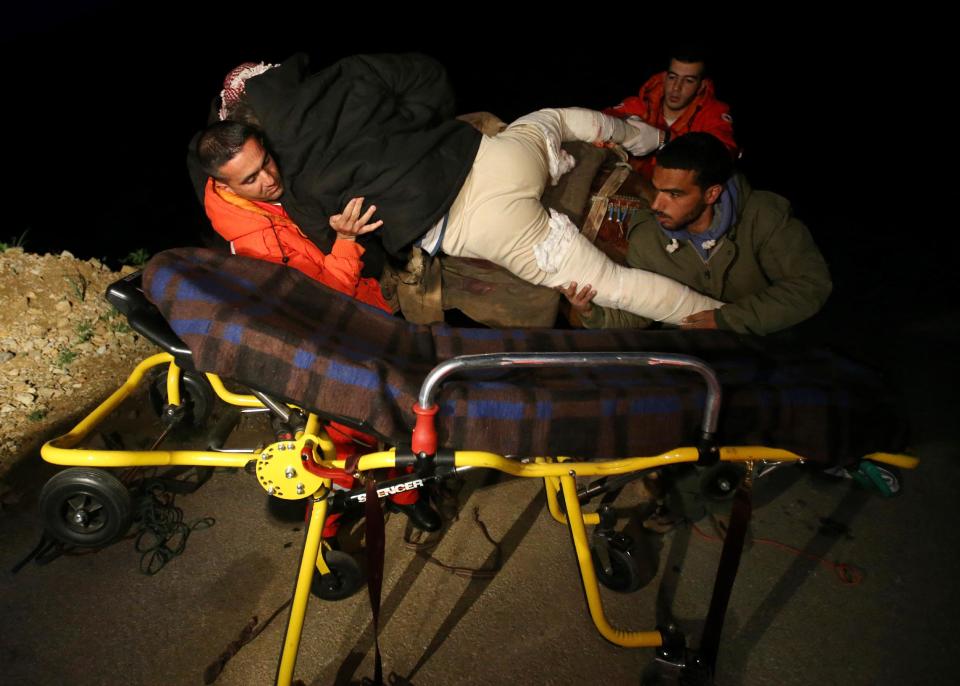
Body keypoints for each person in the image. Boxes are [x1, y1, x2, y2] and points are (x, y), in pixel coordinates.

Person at [202, 53, 725, 327]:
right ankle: (656, 136)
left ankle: (722, 321)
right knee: (555, 118)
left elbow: (352, 258)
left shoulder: (292, 182)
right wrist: (417, 127)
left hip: (482, 226)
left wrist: (344, 232)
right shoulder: (346, 76)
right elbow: (427, 75)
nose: (265, 178)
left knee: (612, 284)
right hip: (495, 156)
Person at [197, 120, 441, 532]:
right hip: (325, 340)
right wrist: (345, 241)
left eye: (267, 162)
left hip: (364, 316)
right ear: (223, 184)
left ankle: (407, 495)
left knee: (400, 420)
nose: (270, 179)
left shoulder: (267, 197)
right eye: (251, 178)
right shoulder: (254, 243)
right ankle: (324, 535)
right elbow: (322, 300)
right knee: (341, 443)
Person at [561, 133, 832, 336]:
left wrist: (729, 319)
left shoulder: (763, 217)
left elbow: (810, 286)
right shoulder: (648, 238)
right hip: (692, 355)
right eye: (657, 190)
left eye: (674, 194)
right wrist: (592, 313)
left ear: (711, 193)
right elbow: (642, 311)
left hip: (764, 344)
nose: (657, 204)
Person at [604, 49, 738, 178]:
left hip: (681, 194)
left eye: (688, 80)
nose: (676, 87)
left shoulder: (712, 113)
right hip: (636, 187)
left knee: (729, 184)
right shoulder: (640, 104)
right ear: (664, 77)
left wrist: (666, 139)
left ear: (701, 86)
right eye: (673, 77)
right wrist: (621, 127)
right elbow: (601, 122)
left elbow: (723, 156)